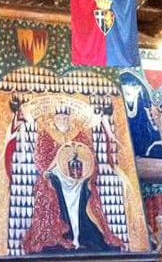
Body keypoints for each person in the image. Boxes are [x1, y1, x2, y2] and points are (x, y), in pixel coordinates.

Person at [21, 108, 123, 253]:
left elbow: (89, 157)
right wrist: (56, 162)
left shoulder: (79, 134)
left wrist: (82, 167)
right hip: (55, 176)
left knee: (86, 190)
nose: (63, 120)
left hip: (78, 179)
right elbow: (41, 159)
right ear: (54, 119)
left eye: (65, 117)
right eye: (60, 117)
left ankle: (82, 236)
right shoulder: (46, 135)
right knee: (52, 186)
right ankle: (65, 234)